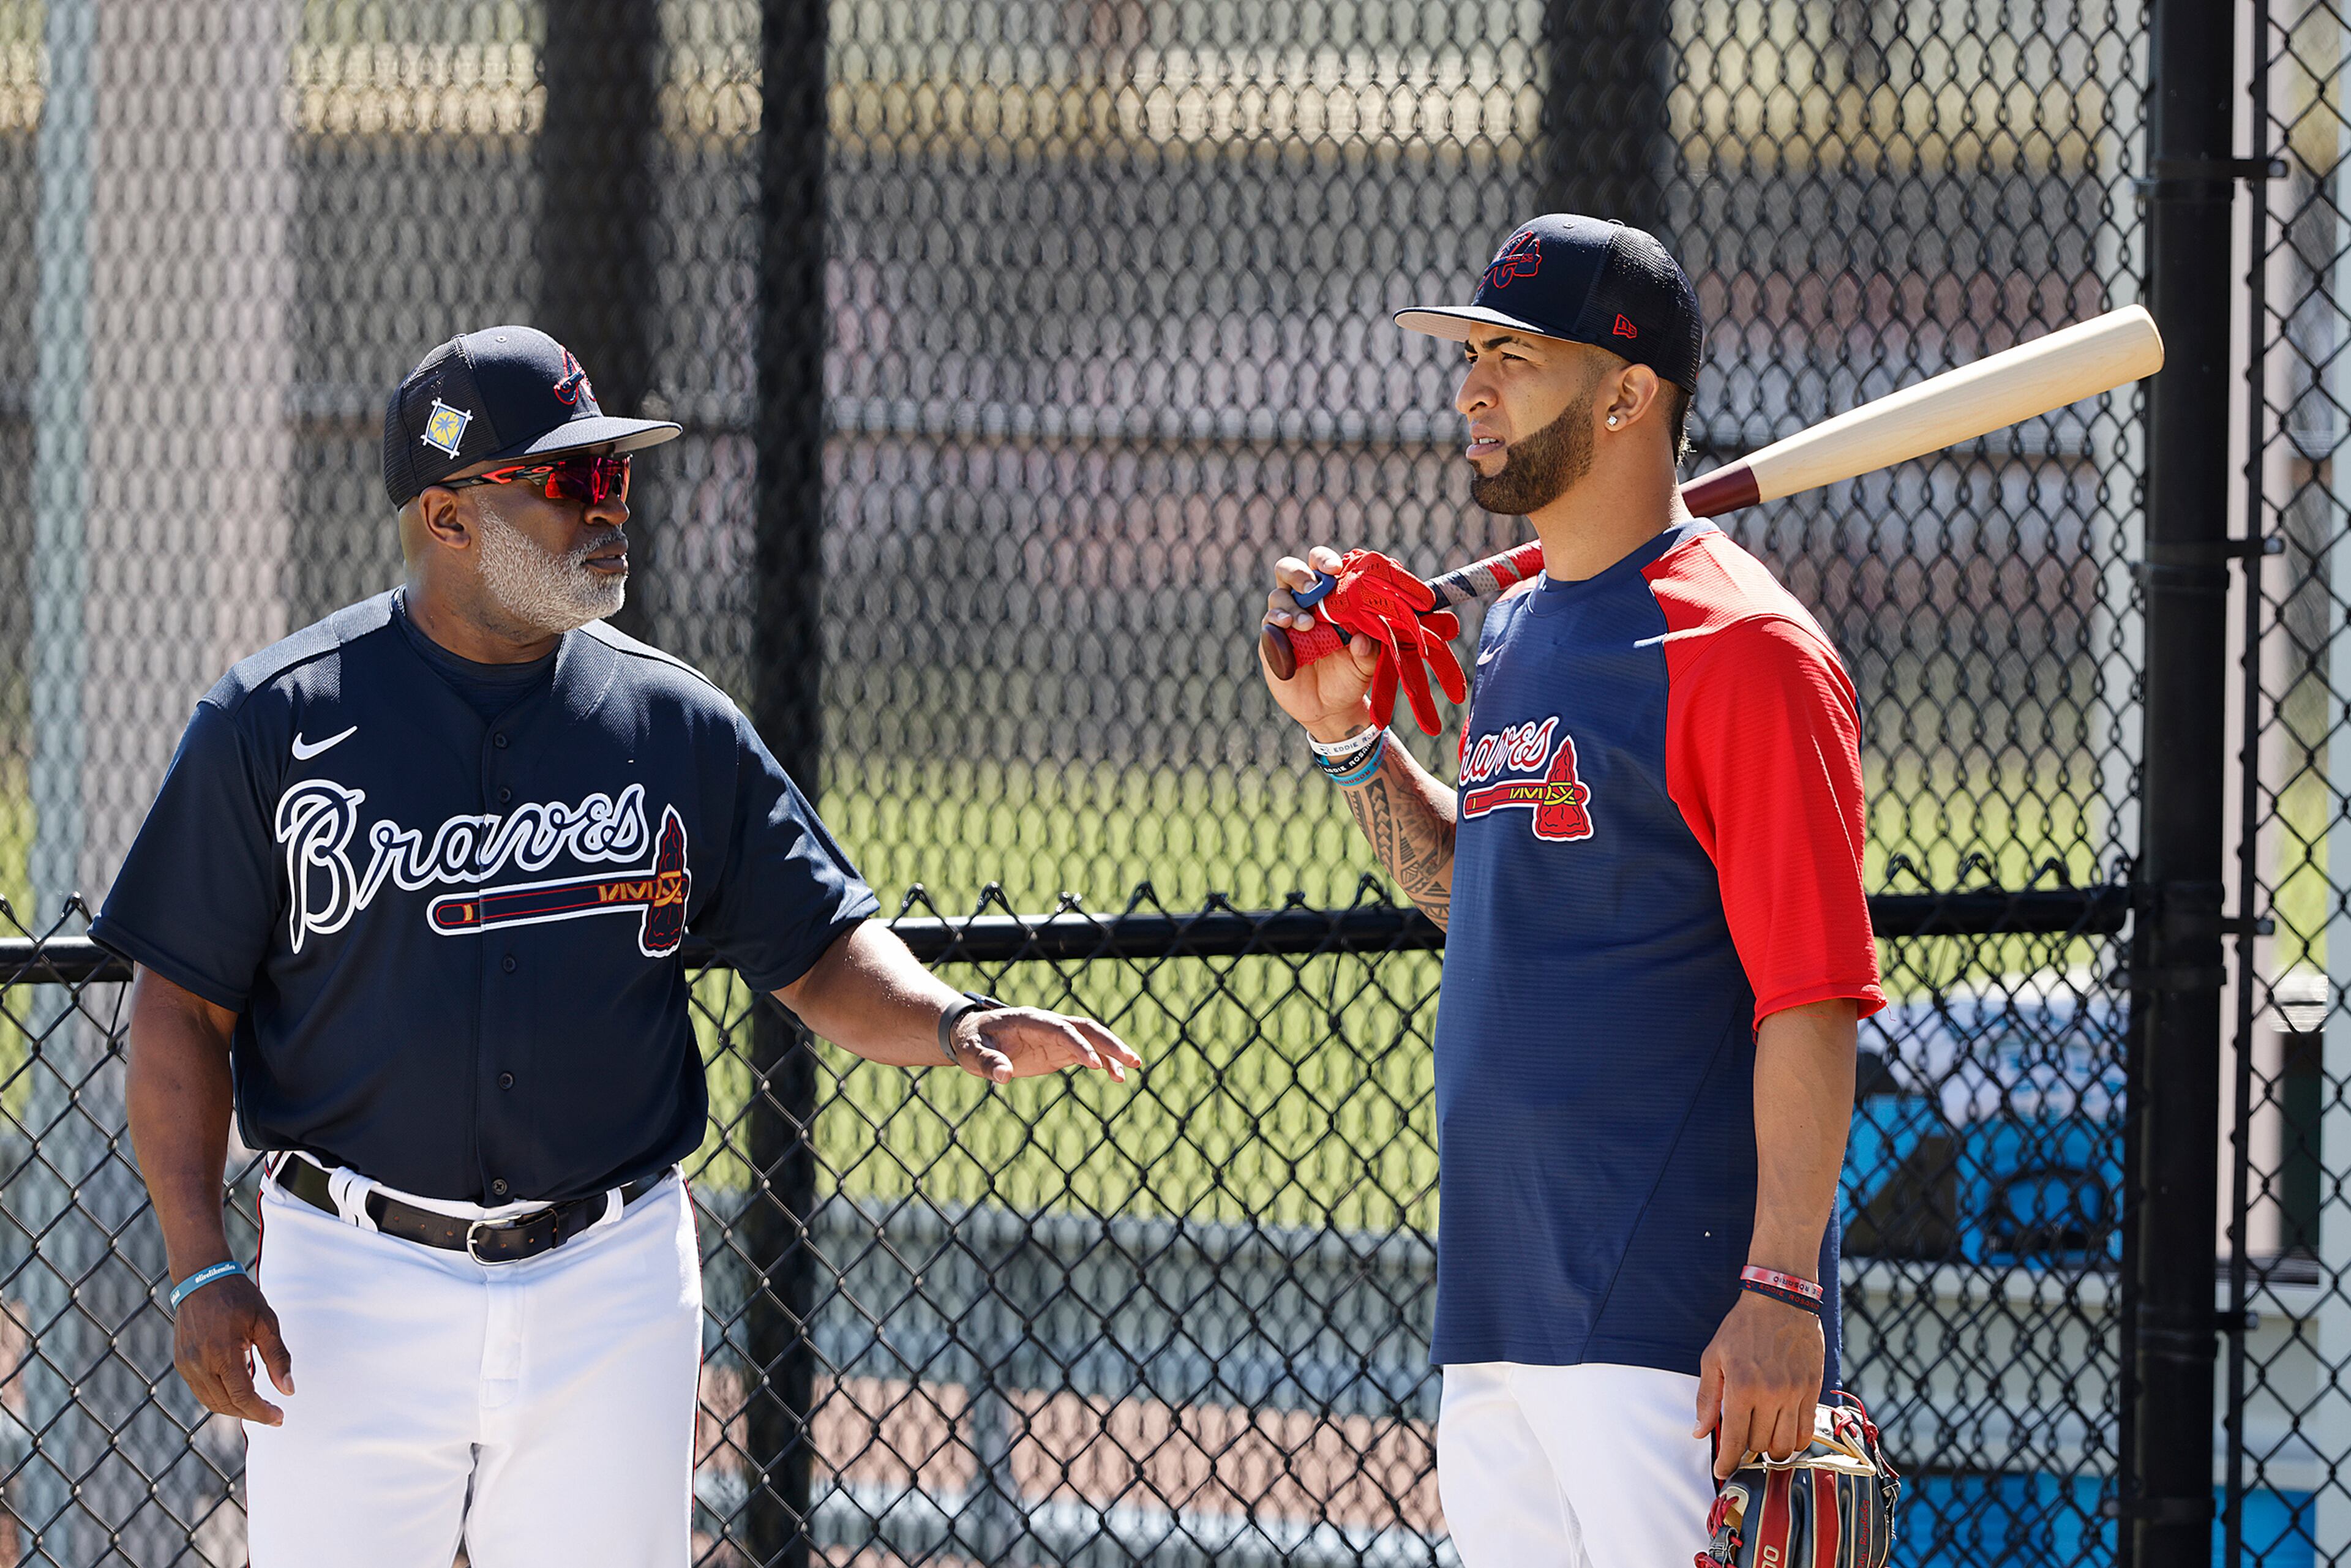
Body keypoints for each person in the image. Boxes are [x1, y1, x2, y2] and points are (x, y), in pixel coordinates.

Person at [92, 326, 1140, 1567]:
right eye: (566, 482)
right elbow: (178, 1015)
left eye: (616, 478)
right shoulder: (275, 719)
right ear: (447, 515)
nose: (608, 510)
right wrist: (197, 1268)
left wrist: (951, 1021)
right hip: (350, 1282)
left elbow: (819, 951)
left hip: (610, 1280)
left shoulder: (672, 722)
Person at [1259, 216, 1884, 1566]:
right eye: (1472, 354)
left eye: (1516, 359)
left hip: (1676, 1328)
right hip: (1501, 1309)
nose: (1473, 389)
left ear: (1624, 395)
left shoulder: (1747, 649)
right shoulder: (1522, 624)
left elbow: (1814, 996)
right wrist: (1349, 738)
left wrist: (1780, 1289)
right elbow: (1483, 899)